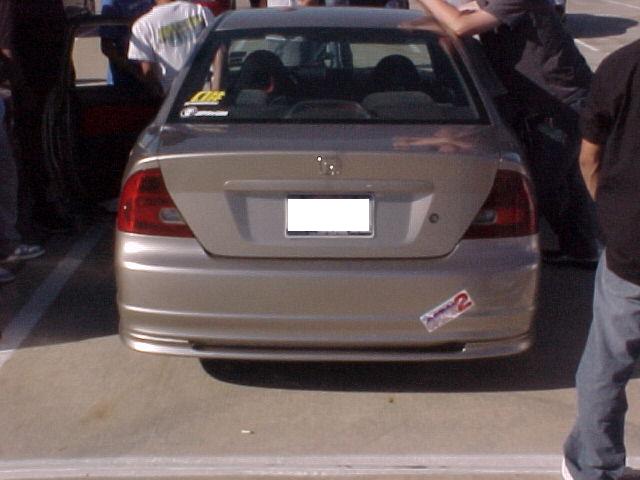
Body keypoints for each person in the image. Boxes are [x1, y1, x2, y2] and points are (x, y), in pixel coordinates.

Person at [412, 0, 599, 266]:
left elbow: (461, 25)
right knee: (562, 179)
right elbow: (462, 13)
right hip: (541, 101)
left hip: (561, 103)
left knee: (539, 182)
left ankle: (535, 258)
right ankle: (582, 249)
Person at [562, 39, 640, 480]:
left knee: (607, 363)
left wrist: (610, 211)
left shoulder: (623, 65)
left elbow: (589, 155)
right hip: (628, 238)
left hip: (630, 241)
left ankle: (594, 467)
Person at [0, 0, 71, 234]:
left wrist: (66, 78)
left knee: (52, 150)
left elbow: (61, 38)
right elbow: (7, 48)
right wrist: (22, 90)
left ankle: (51, 207)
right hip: (28, 90)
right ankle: (37, 213)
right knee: (31, 155)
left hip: (53, 88)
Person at [127, 0, 215, 97]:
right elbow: (219, 51)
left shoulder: (142, 26)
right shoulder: (200, 11)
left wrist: (164, 98)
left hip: (175, 97)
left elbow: (148, 72)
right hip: (209, 90)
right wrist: (217, 88)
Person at [100, 0, 154, 89]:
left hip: (155, 73)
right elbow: (107, 47)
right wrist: (137, 73)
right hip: (124, 80)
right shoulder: (113, 3)